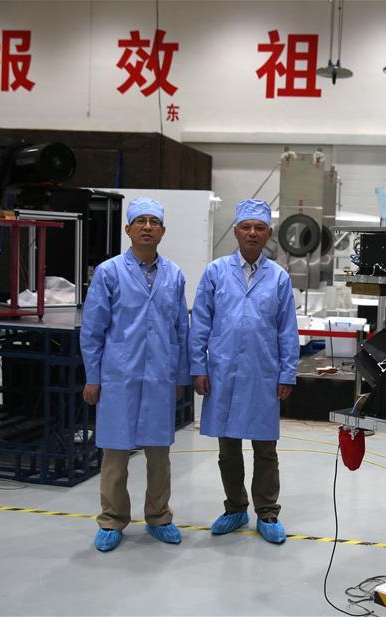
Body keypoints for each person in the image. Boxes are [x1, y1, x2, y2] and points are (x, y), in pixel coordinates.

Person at [81, 197, 191, 552]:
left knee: (159, 454)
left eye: (154, 221)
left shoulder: (174, 275)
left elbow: (181, 330)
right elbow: (93, 329)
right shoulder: (109, 272)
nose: (147, 226)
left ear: (162, 231)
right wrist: (93, 377)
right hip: (118, 377)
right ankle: (112, 520)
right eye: (140, 221)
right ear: (128, 229)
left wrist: (180, 376)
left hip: (159, 376)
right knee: (115, 454)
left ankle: (158, 516)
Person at [190, 198, 298, 544]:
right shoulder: (216, 272)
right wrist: (198, 367)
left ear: (269, 233)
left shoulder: (278, 278)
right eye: (246, 227)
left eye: (259, 228)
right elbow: (200, 323)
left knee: (266, 448)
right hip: (222, 372)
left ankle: (266, 512)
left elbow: (287, 330)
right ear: (236, 231)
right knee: (228, 448)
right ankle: (235, 508)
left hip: (263, 373)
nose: (252, 233)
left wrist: (287, 373)